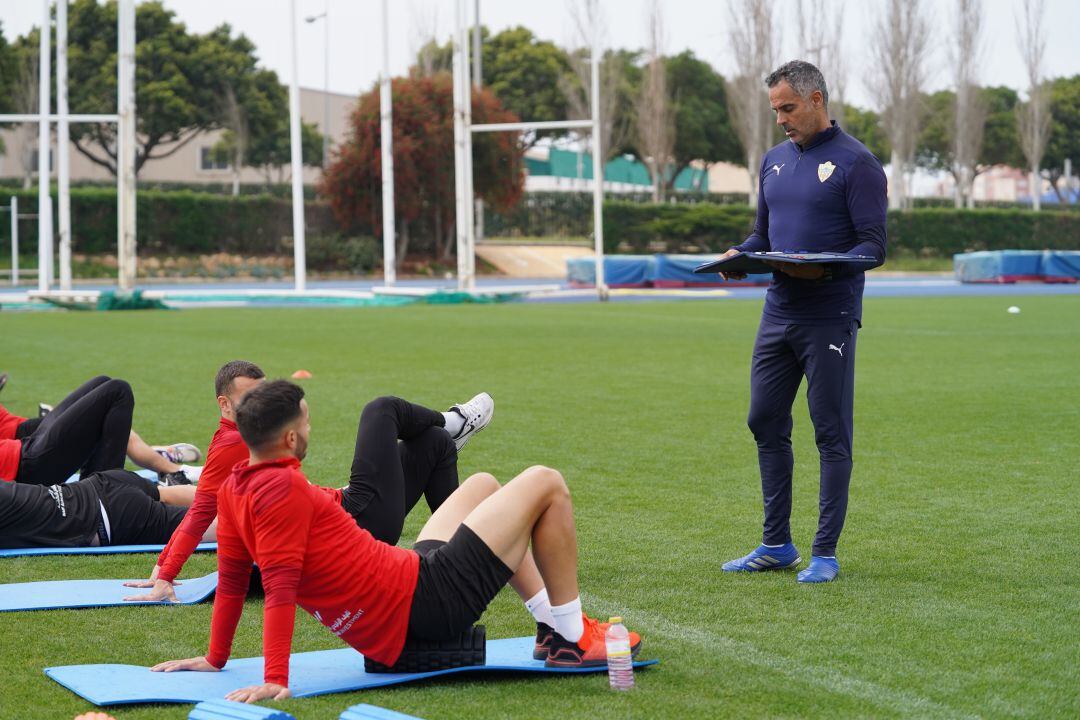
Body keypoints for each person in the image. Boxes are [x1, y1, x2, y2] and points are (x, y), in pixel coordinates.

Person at [151, 381, 641, 703]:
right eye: (306, 421)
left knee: (484, 486)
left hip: (404, 582)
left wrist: (216, 658)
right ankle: (574, 637)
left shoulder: (237, 485)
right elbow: (278, 588)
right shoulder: (284, 489)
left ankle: (548, 630)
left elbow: (235, 579)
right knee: (546, 481)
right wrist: (277, 677)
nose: (309, 426)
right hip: (423, 604)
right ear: (292, 441)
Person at [125, 361, 495, 604]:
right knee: (382, 410)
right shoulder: (233, 443)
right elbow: (202, 511)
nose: (265, 404)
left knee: (434, 444)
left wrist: (163, 570)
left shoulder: (251, 437)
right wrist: (165, 574)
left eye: (264, 394)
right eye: (251, 398)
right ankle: (454, 420)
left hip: (356, 513)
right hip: (359, 518)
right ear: (225, 406)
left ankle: (458, 555)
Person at [717, 60, 887, 584]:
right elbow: (761, 234)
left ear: (817, 100)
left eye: (788, 108)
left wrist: (820, 267)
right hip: (778, 310)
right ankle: (776, 545)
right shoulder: (772, 161)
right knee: (763, 420)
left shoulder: (858, 164)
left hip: (829, 315)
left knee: (830, 432)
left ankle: (824, 551)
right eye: (775, 110)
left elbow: (873, 247)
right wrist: (738, 254)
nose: (782, 119)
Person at [0, 376, 197, 487]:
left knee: (103, 384)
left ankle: (161, 464)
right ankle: (105, 488)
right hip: (25, 465)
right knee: (117, 392)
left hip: (23, 445)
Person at [0, 468, 212, 549]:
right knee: (164, 494)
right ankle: (241, 496)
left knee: (222, 525)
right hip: (103, 482)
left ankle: (245, 511)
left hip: (110, 516)